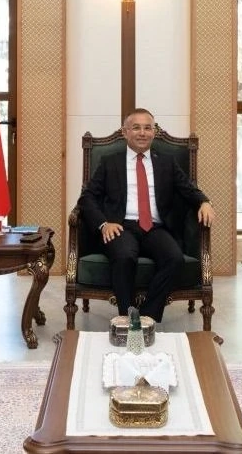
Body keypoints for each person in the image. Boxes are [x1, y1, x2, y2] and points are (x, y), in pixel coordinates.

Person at [77, 108, 214, 322]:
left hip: (155, 228)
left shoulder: (167, 162)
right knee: (124, 257)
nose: (142, 133)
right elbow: (86, 198)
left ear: (154, 132)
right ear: (125, 132)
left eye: (148, 128)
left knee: (174, 258)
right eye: (136, 128)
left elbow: (189, 189)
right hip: (121, 226)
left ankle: (146, 318)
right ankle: (127, 317)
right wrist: (104, 224)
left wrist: (204, 201)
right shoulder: (110, 162)